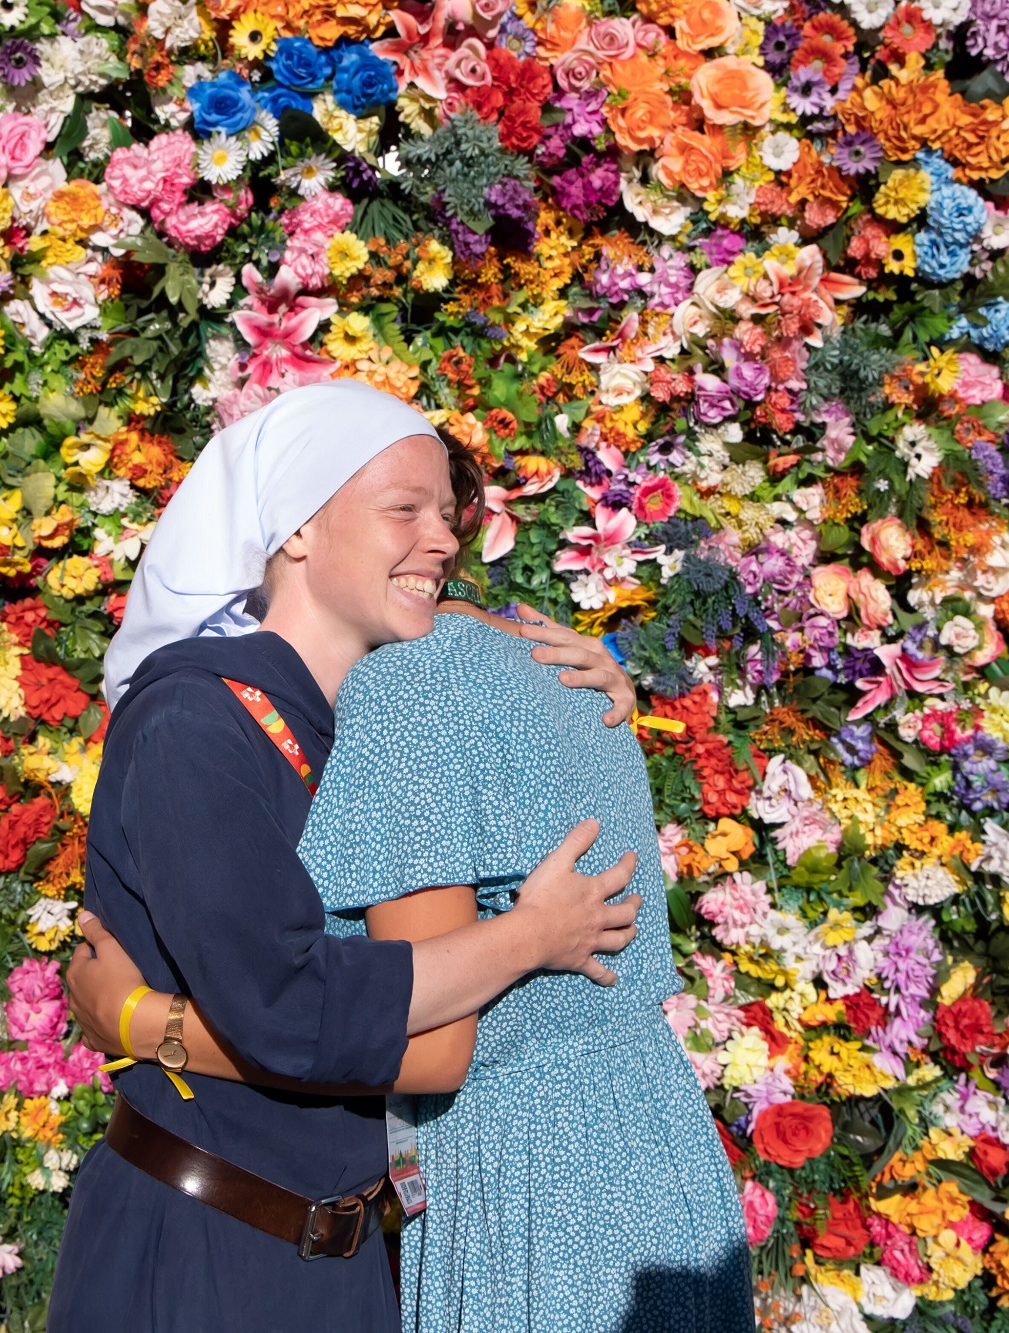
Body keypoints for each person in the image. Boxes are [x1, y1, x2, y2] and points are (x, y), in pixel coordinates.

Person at [46, 378, 645, 1333]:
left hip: (346, 1263)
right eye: (403, 509)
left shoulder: (371, 718)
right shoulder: (194, 721)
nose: (444, 541)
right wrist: (531, 935)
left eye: (449, 515)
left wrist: (595, 671)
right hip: (205, 1257)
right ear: (294, 531)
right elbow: (288, 1002)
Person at [68, 582, 755, 1330]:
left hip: (536, 1188)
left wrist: (145, 1023)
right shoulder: (558, 665)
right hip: (656, 1145)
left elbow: (428, 1047)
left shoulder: (414, 684)